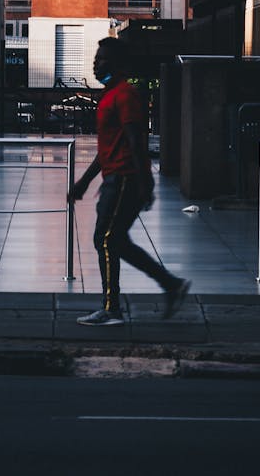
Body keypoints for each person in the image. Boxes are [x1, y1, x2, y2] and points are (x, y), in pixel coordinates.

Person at [69, 37, 191, 326]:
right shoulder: (110, 95)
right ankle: (171, 285)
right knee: (117, 241)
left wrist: (145, 182)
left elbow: (136, 140)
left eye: (103, 60)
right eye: (96, 59)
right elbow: (107, 149)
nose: (96, 64)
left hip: (125, 179)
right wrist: (84, 183)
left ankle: (112, 309)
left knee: (106, 239)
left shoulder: (125, 95)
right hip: (116, 178)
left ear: (119, 65)